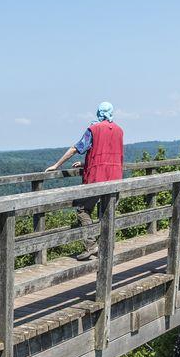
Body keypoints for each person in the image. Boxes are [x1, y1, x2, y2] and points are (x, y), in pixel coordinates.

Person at [45, 101, 124, 260]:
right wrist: (87, 162)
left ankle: (91, 245)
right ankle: (107, 248)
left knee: (82, 210)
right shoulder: (119, 130)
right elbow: (109, 154)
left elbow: (77, 148)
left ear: (99, 112)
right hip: (115, 178)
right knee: (107, 213)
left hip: (97, 178)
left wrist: (56, 164)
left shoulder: (94, 129)